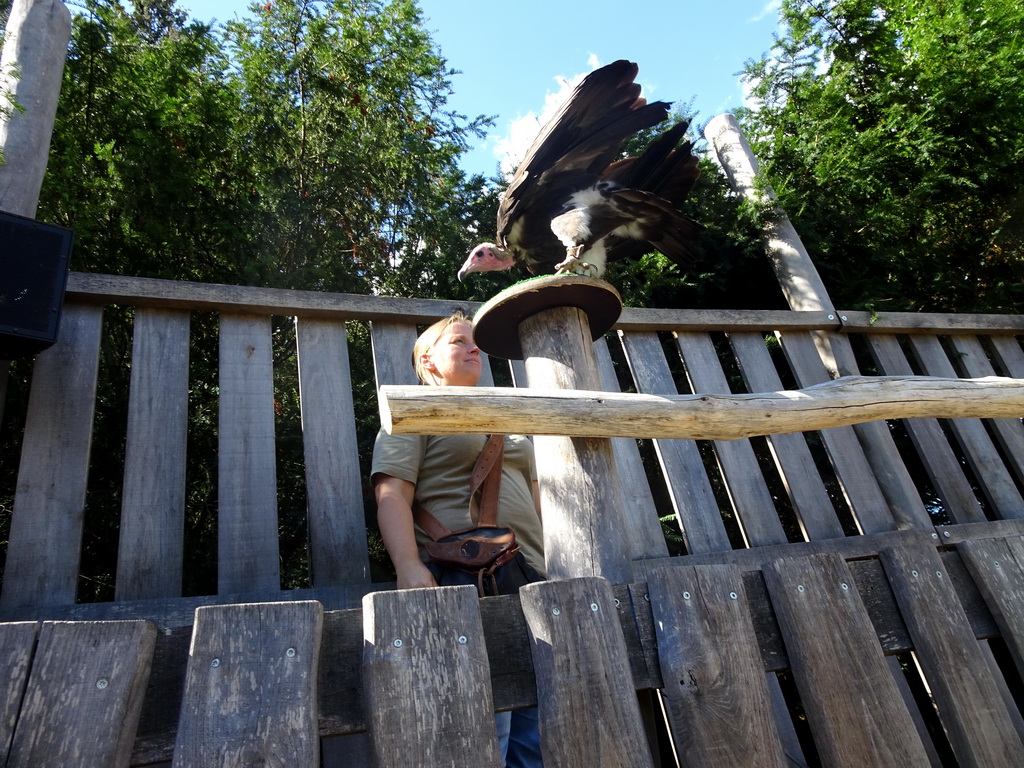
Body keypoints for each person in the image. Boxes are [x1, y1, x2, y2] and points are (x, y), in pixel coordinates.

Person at [371, 310, 544, 768]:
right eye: (459, 341)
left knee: (537, 728)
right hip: (465, 579)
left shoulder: (507, 418)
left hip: (533, 575)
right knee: (488, 725)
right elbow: (391, 494)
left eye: (477, 342)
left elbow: (537, 500)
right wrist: (408, 565)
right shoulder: (415, 411)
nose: (475, 348)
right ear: (427, 360)